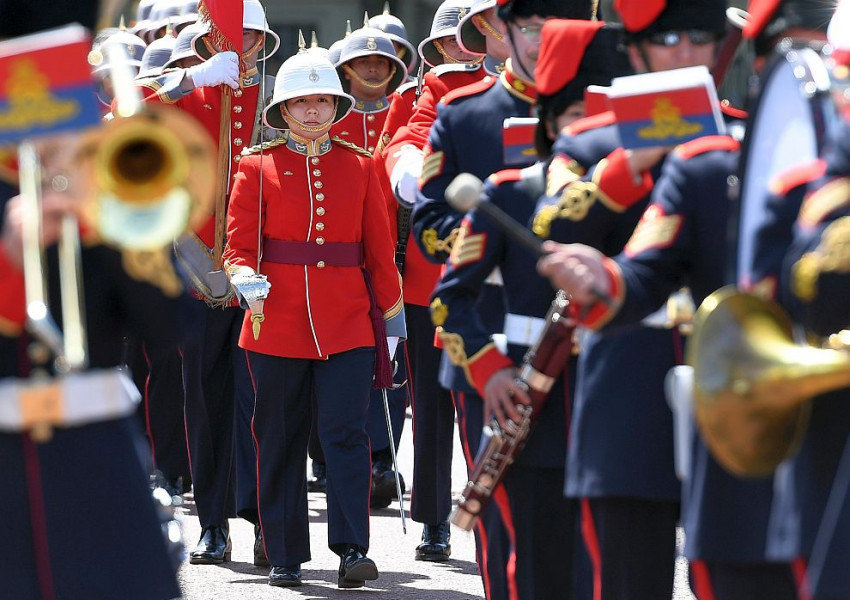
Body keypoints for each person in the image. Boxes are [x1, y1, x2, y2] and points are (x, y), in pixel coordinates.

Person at [535, 2, 829, 596]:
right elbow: (554, 221)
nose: (687, 52)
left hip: (744, 381)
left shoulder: (754, 132)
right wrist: (631, 163)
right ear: (637, 49)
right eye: (668, 37)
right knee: (626, 578)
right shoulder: (591, 140)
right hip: (629, 383)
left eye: (702, 37)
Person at [430, 18, 628, 599]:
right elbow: (450, 297)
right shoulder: (512, 190)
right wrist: (489, 371)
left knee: (606, 568)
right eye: (573, 118)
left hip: (611, 403)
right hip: (527, 392)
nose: (587, 134)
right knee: (533, 564)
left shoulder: (642, 198)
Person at [224, 48, 405, 589]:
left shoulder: (362, 164)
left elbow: (380, 250)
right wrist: (244, 277)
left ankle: (352, 549)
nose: (311, 111)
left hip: (346, 322)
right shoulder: (256, 165)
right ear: (283, 109)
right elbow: (237, 246)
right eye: (300, 102)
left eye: (321, 100)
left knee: (344, 434)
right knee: (277, 436)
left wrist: (392, 324)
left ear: (337, 105)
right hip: (274, 322)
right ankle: (284, 552)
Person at [139, 0, 282, 567]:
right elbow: (119, 119)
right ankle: (214, 524)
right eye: (227, 32)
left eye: (248, 36)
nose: (236, 43)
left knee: (265, 403)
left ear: (262, 41)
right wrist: (189, 79)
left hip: (267, 269)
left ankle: (267, 520)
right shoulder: (190, 91)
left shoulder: (280, 95)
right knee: (205, 399)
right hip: (199, 263)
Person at [374, 0, 485, 561]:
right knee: (433, 403)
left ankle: (494, 507)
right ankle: (435, 517)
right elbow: (403, 140)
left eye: (477, 34)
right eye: (453, 41)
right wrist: (406, 166)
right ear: (438, 49)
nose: (464, 48)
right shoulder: (436, 89)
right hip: (433, 273)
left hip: (504, 266)